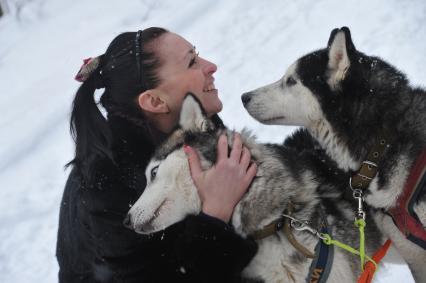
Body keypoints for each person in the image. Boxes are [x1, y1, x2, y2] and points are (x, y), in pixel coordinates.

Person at [56, 27, 258, 283]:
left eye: (198, 55)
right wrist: (215, 215)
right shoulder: (108, 187)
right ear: (154, 102)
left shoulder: (194, 122)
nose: (211, 66)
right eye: (192, 62)